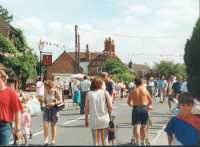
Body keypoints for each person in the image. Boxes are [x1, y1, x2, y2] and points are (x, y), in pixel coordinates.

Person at [84, 78, 112, 145]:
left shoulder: (89, 94)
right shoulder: (105, 93)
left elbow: (86, 109)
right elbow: (110, 107)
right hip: (104, 119)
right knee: (104, 140)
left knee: (95, 141)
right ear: (101, 85)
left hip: (94, 119)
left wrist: (86, 120)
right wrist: (110, 115)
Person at [127, 78, 152, 145]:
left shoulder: (133, 91)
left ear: (135, 83)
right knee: (144, 126)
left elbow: (128, 102)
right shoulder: (145, 90)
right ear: (141, 83)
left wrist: (133, 106)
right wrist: (147, 106)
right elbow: (150, 101)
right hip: (144, 108)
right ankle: (143, 142)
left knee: (137, 126)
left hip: (136, 108)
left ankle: (137, 141)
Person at [0, 70, 22, 145]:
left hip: (4, 127)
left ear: (3, 79)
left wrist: (18, 128)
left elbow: (17, 111)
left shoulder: (11, 92)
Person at [42, 80, 62, 145]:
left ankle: (53, 139)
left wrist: (54, 103)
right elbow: (44, 100)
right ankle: (46, 139)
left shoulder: (55, 92)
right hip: (46, 109)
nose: (44, 87)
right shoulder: (45, 92)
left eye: (45, 86)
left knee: (53, 126)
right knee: (45, 125)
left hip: (54, 110)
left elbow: (60, 101)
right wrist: (43, 103)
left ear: (49, 86)